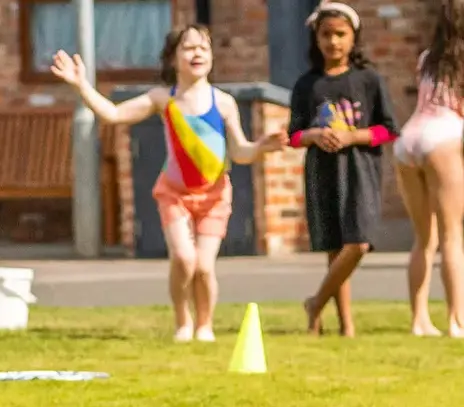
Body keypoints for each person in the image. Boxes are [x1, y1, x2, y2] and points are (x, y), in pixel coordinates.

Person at [52, 26, 285, 342]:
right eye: (188, 48)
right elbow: (114, 115)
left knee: (203, 266)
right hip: (174, 193)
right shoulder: (164, 98)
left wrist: (260, 147)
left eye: (203, 47)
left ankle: (204, 325)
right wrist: (82, 86)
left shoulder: (225, 102)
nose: (197, 53)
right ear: (174, 59)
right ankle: (182, 321)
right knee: (184, 259)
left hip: (215, 196)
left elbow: (240, 153)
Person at [289, 1, 395, 337]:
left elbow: (388, 130)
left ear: (353, 37)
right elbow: (293, 135)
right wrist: (314, 135)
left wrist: (351, 137)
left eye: (340, 34)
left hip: (361, 170)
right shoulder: (307, 85)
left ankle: (316, 302)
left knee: (358, 243)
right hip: (324, 172)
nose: (333, 41)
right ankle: (345, 325)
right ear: (315, 39)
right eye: (325, 35)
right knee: (336, 246)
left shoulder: (368, 79)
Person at [392, 1, 464, 337]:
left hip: (409, 138)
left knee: (424, 238)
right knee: (452, 236)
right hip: (444, 136)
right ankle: (456, 321)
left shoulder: (427, 59)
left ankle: (419, 320)